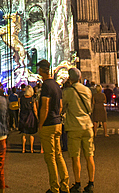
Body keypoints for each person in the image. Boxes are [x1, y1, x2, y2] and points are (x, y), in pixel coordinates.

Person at [36, 60, 69, 193]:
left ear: (42, 70)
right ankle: (65, 185)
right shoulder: (56, 85)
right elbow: (60, 106)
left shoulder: (46, 86)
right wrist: (56, 116)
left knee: (50, 158)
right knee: (59, 155)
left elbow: (45, 106)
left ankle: (54, 188)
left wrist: (41, 124)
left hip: (49, 124)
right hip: (57, 123)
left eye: (39, 69)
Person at [62, 68, 94, 193]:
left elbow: (63, 107)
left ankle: (78, 183)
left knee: (76, 157)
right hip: (87, 126)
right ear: (80, 78)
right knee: (89, 155)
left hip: (74, 127)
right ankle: (91, 182)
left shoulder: (68, 91)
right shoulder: (87, 90)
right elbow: (89, 107)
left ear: (70, 78)